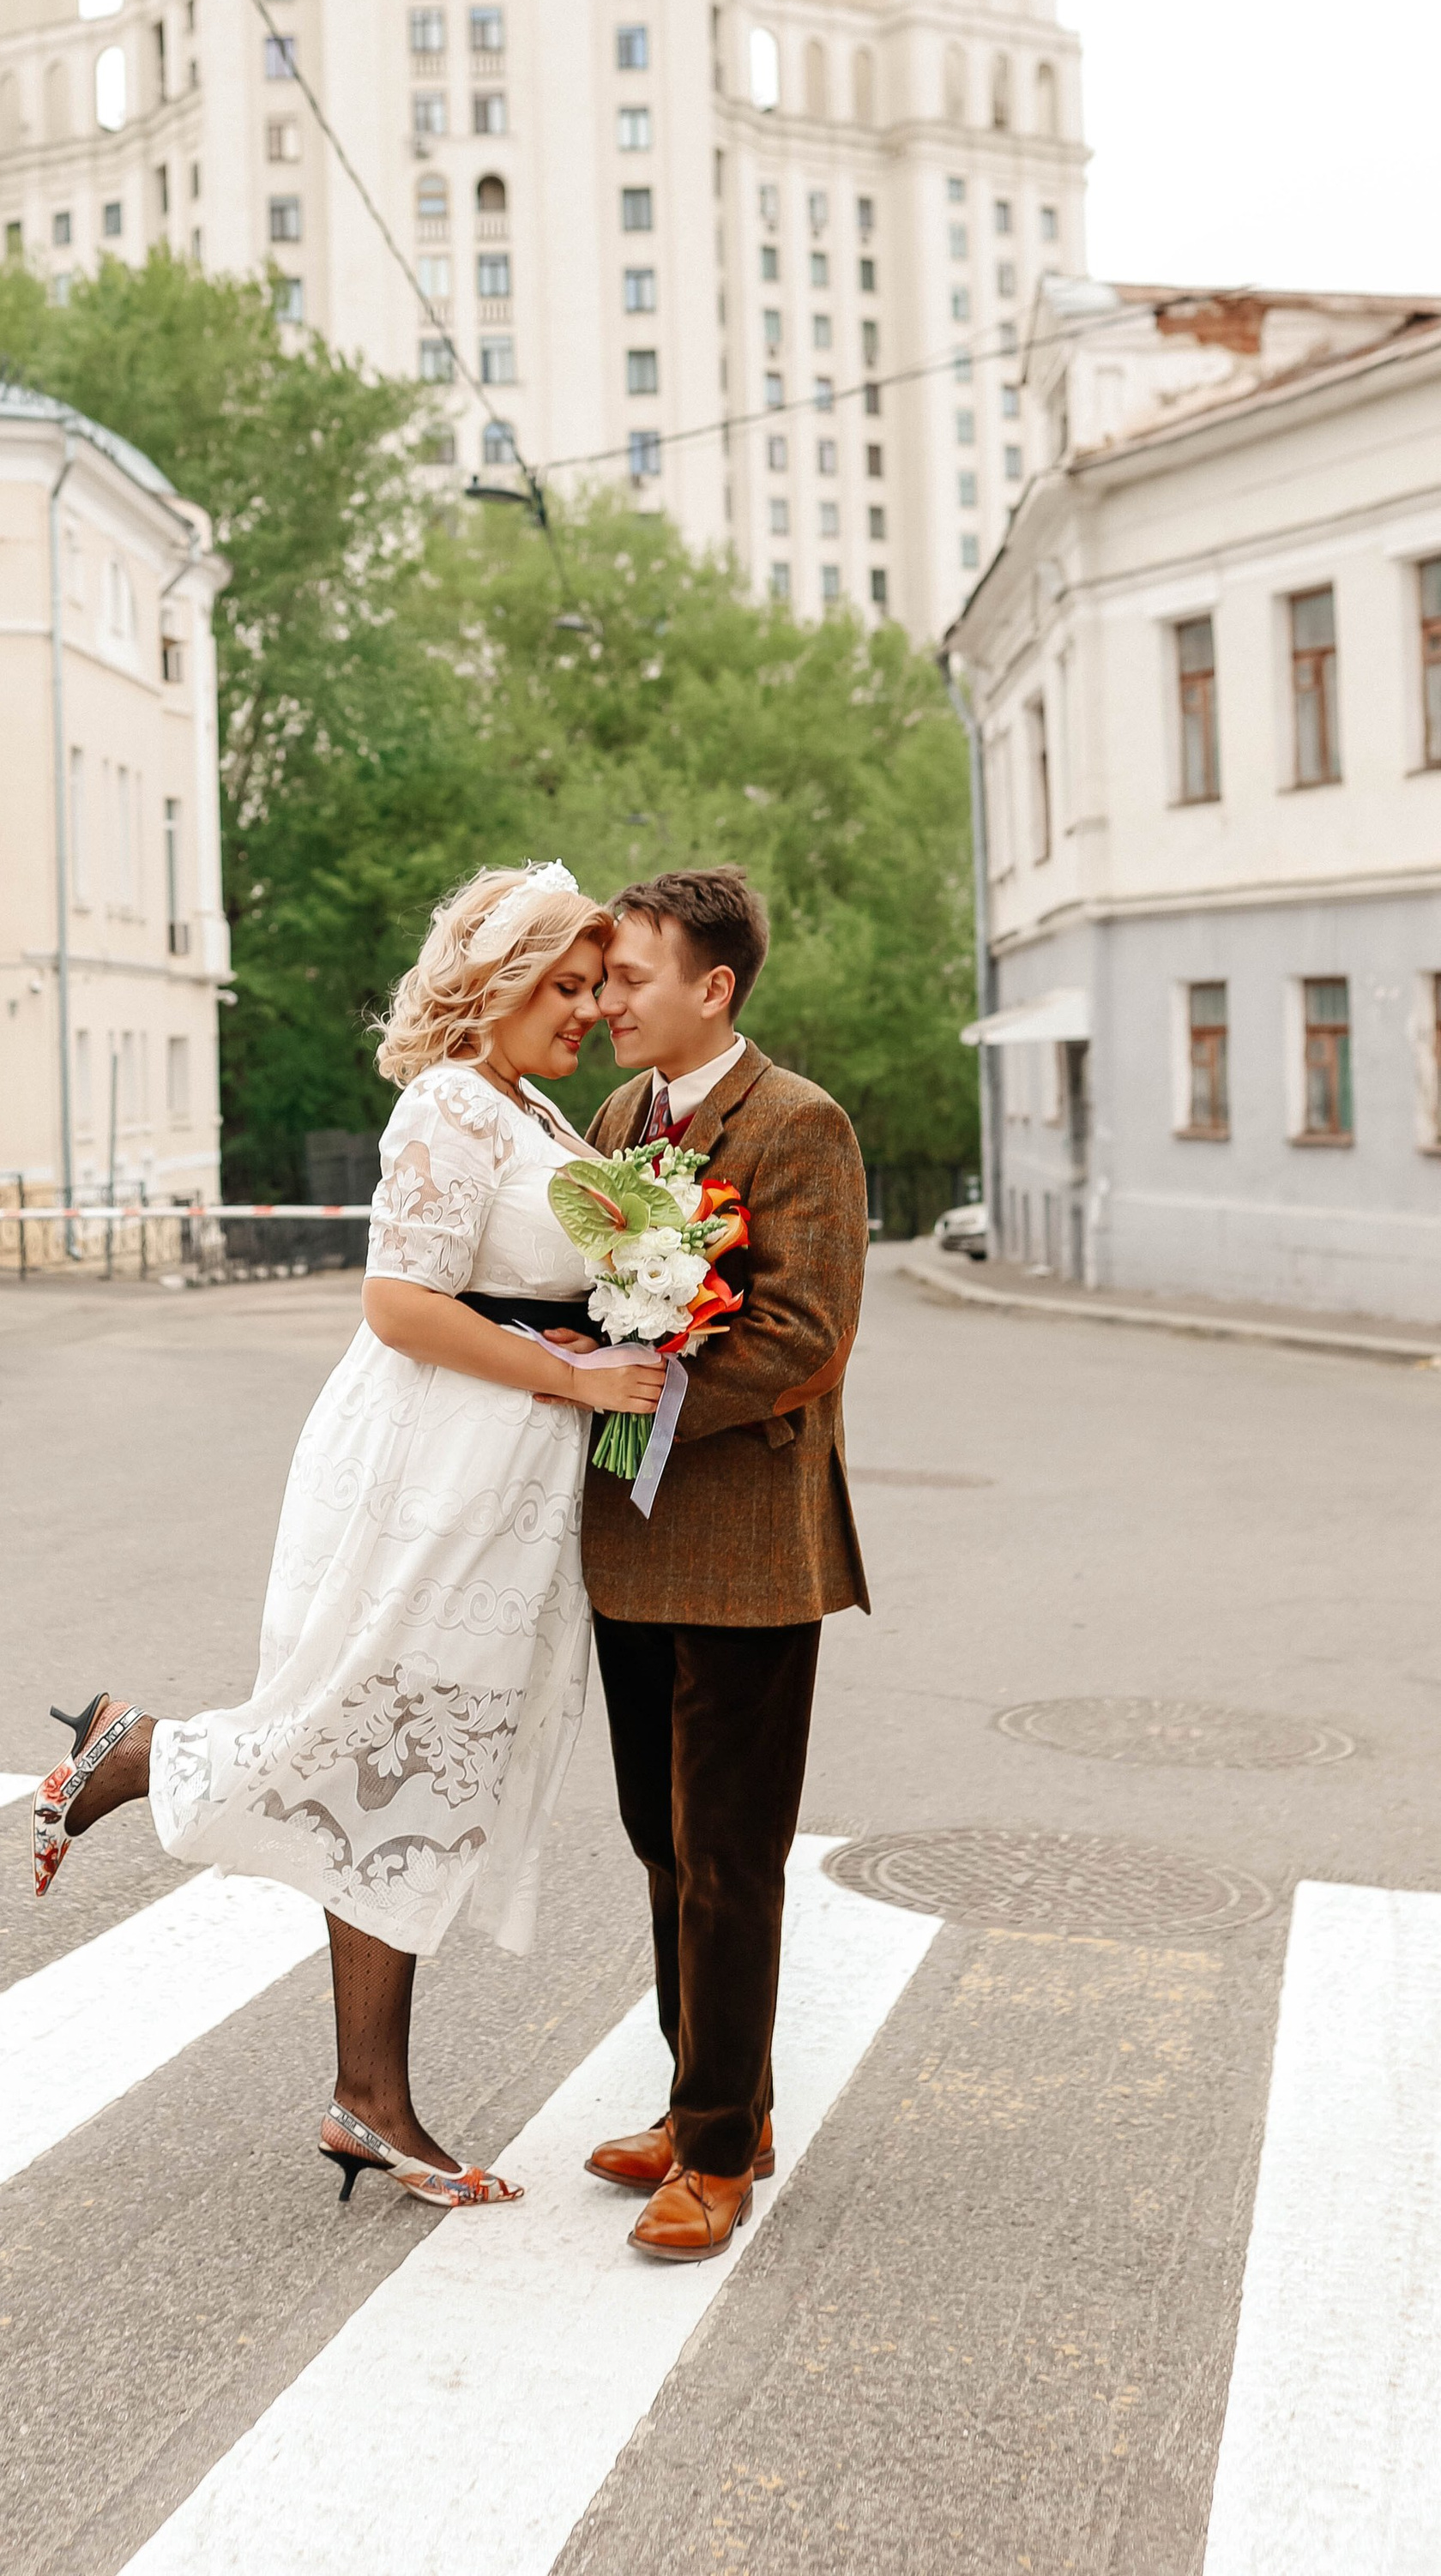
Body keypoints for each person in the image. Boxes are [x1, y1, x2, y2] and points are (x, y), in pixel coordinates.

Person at [29, 863, 665, 2211]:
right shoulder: (452, 1103)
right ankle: (135, 1753)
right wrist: (575, 1377)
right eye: (565, 986)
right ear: (497, 985)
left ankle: (367, 2100)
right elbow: (400, 1304)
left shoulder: (531, 1106)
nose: (587, 1009)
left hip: (505, 1484)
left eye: (594, 987)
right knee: (371, 1739)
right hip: (436, 1475)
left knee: (407, 1775)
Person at [575, 867, 871, 2264]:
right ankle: (715, 2105)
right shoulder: (619, 1121)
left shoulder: (800, 1123)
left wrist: (639, 1387)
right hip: (630, 1539)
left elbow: (806, 1335)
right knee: (659, 1836)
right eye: (602, 981)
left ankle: (712, 2156)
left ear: (715, 987)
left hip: (751, 1544)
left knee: (731, 1856)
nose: (605, 1003)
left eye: (629, 979)